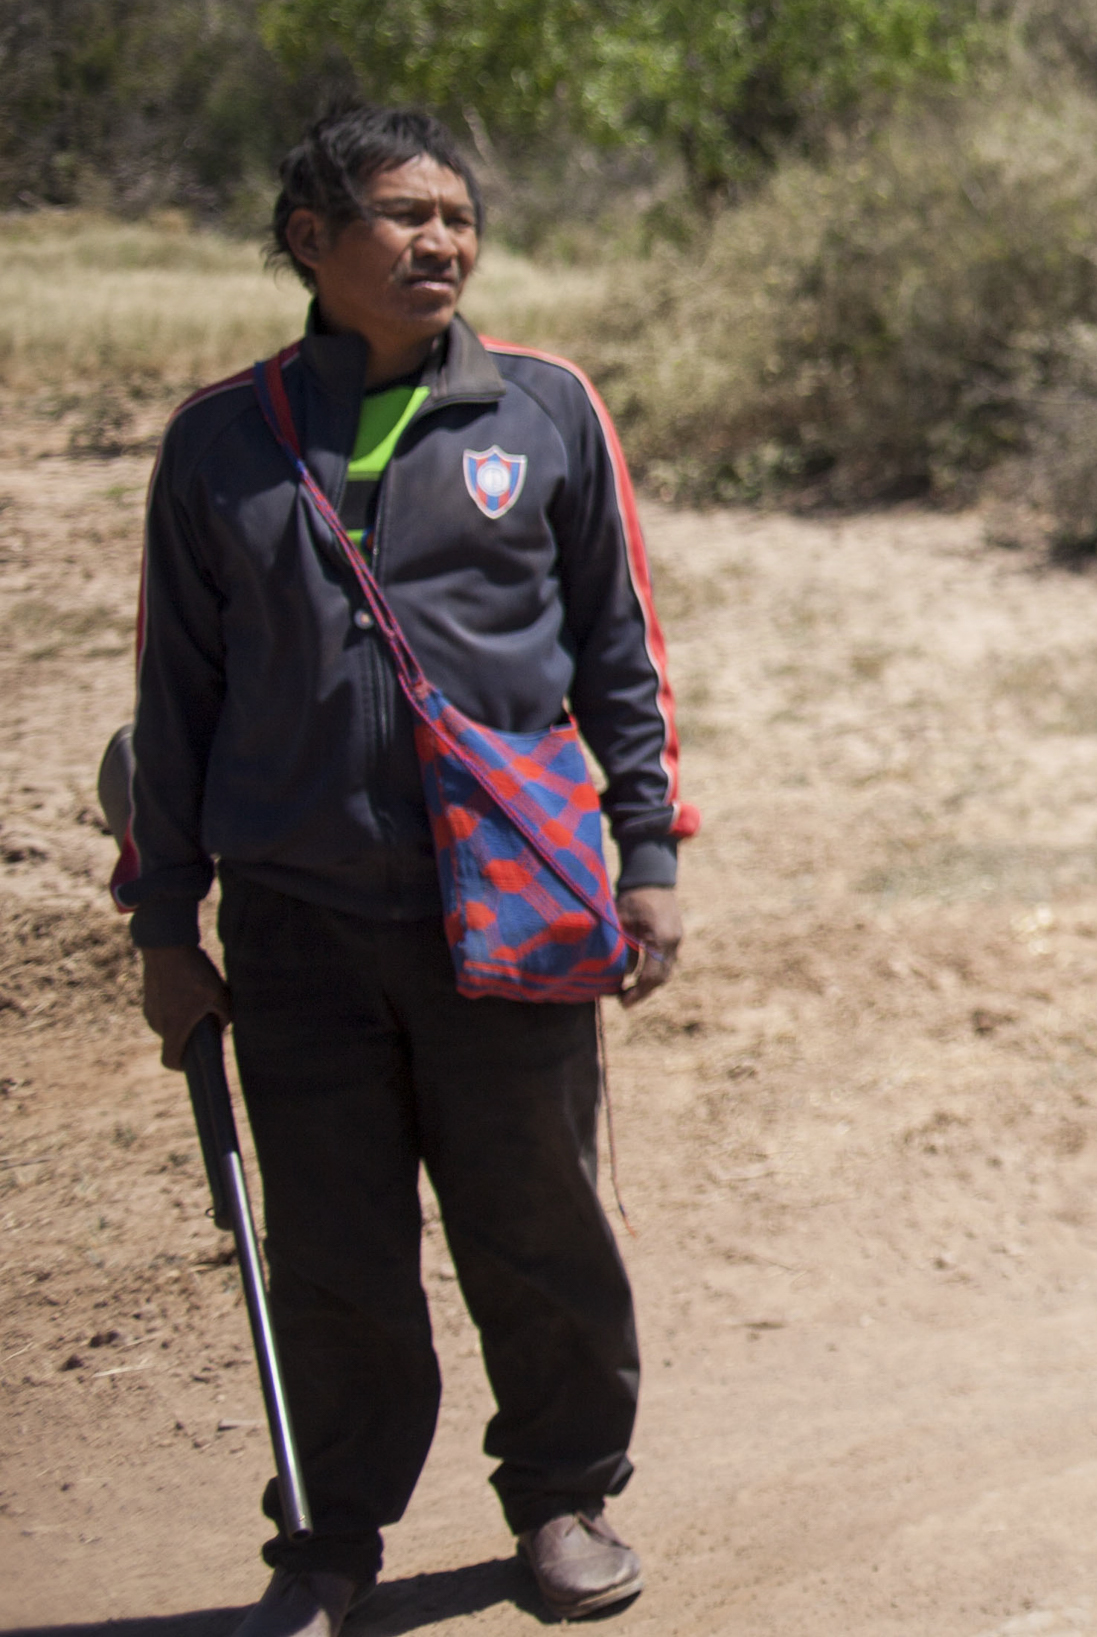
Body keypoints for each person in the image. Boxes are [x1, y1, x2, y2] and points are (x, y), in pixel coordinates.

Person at [116, 103, 694, 1637]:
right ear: (311, 243)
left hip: (504, 900)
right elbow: (170, 701)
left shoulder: (545, 412)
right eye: (402, 215)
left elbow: (620, 654)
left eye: (459, 215)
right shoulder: (220, 443)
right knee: (329, 1253)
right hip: (297, 921)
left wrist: (647, 852)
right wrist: (163, 919)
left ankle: (564, 1498)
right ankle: (327, 1544)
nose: (443, 241)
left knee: (539, 1226)